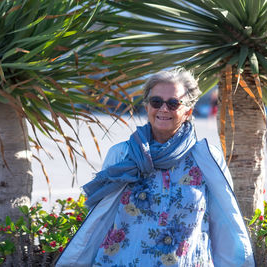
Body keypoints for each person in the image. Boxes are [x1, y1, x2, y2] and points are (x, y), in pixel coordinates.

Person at [56, 68, 255, 267]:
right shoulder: (123, 155)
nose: (163, 109)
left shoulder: (206, 158)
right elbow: (99, 219)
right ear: (147, 106)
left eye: (173, 103)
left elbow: (224, 224)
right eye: (156, 102)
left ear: (188, 111)